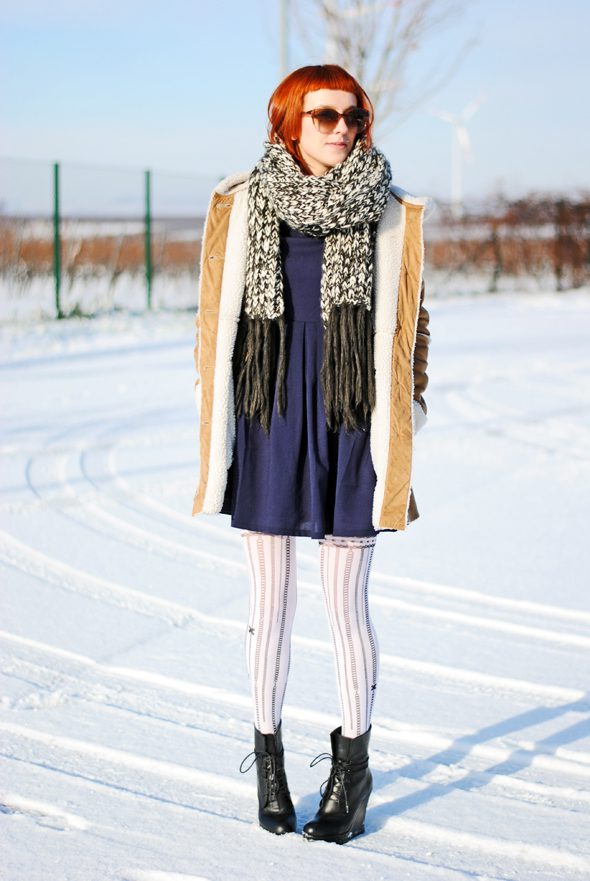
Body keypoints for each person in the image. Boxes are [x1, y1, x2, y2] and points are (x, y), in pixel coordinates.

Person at [191, 63, 431, 844]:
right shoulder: (243, 202)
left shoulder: (391, 212)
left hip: (352, 422)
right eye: (324, 114)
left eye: (354, 116)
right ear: (287, 120)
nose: (341, 128)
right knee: (270, 606)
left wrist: (412, 403)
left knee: (345, 606)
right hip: (269, 420)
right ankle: (269, 760)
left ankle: (351, 773)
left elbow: (411, 327)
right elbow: (212, 324)